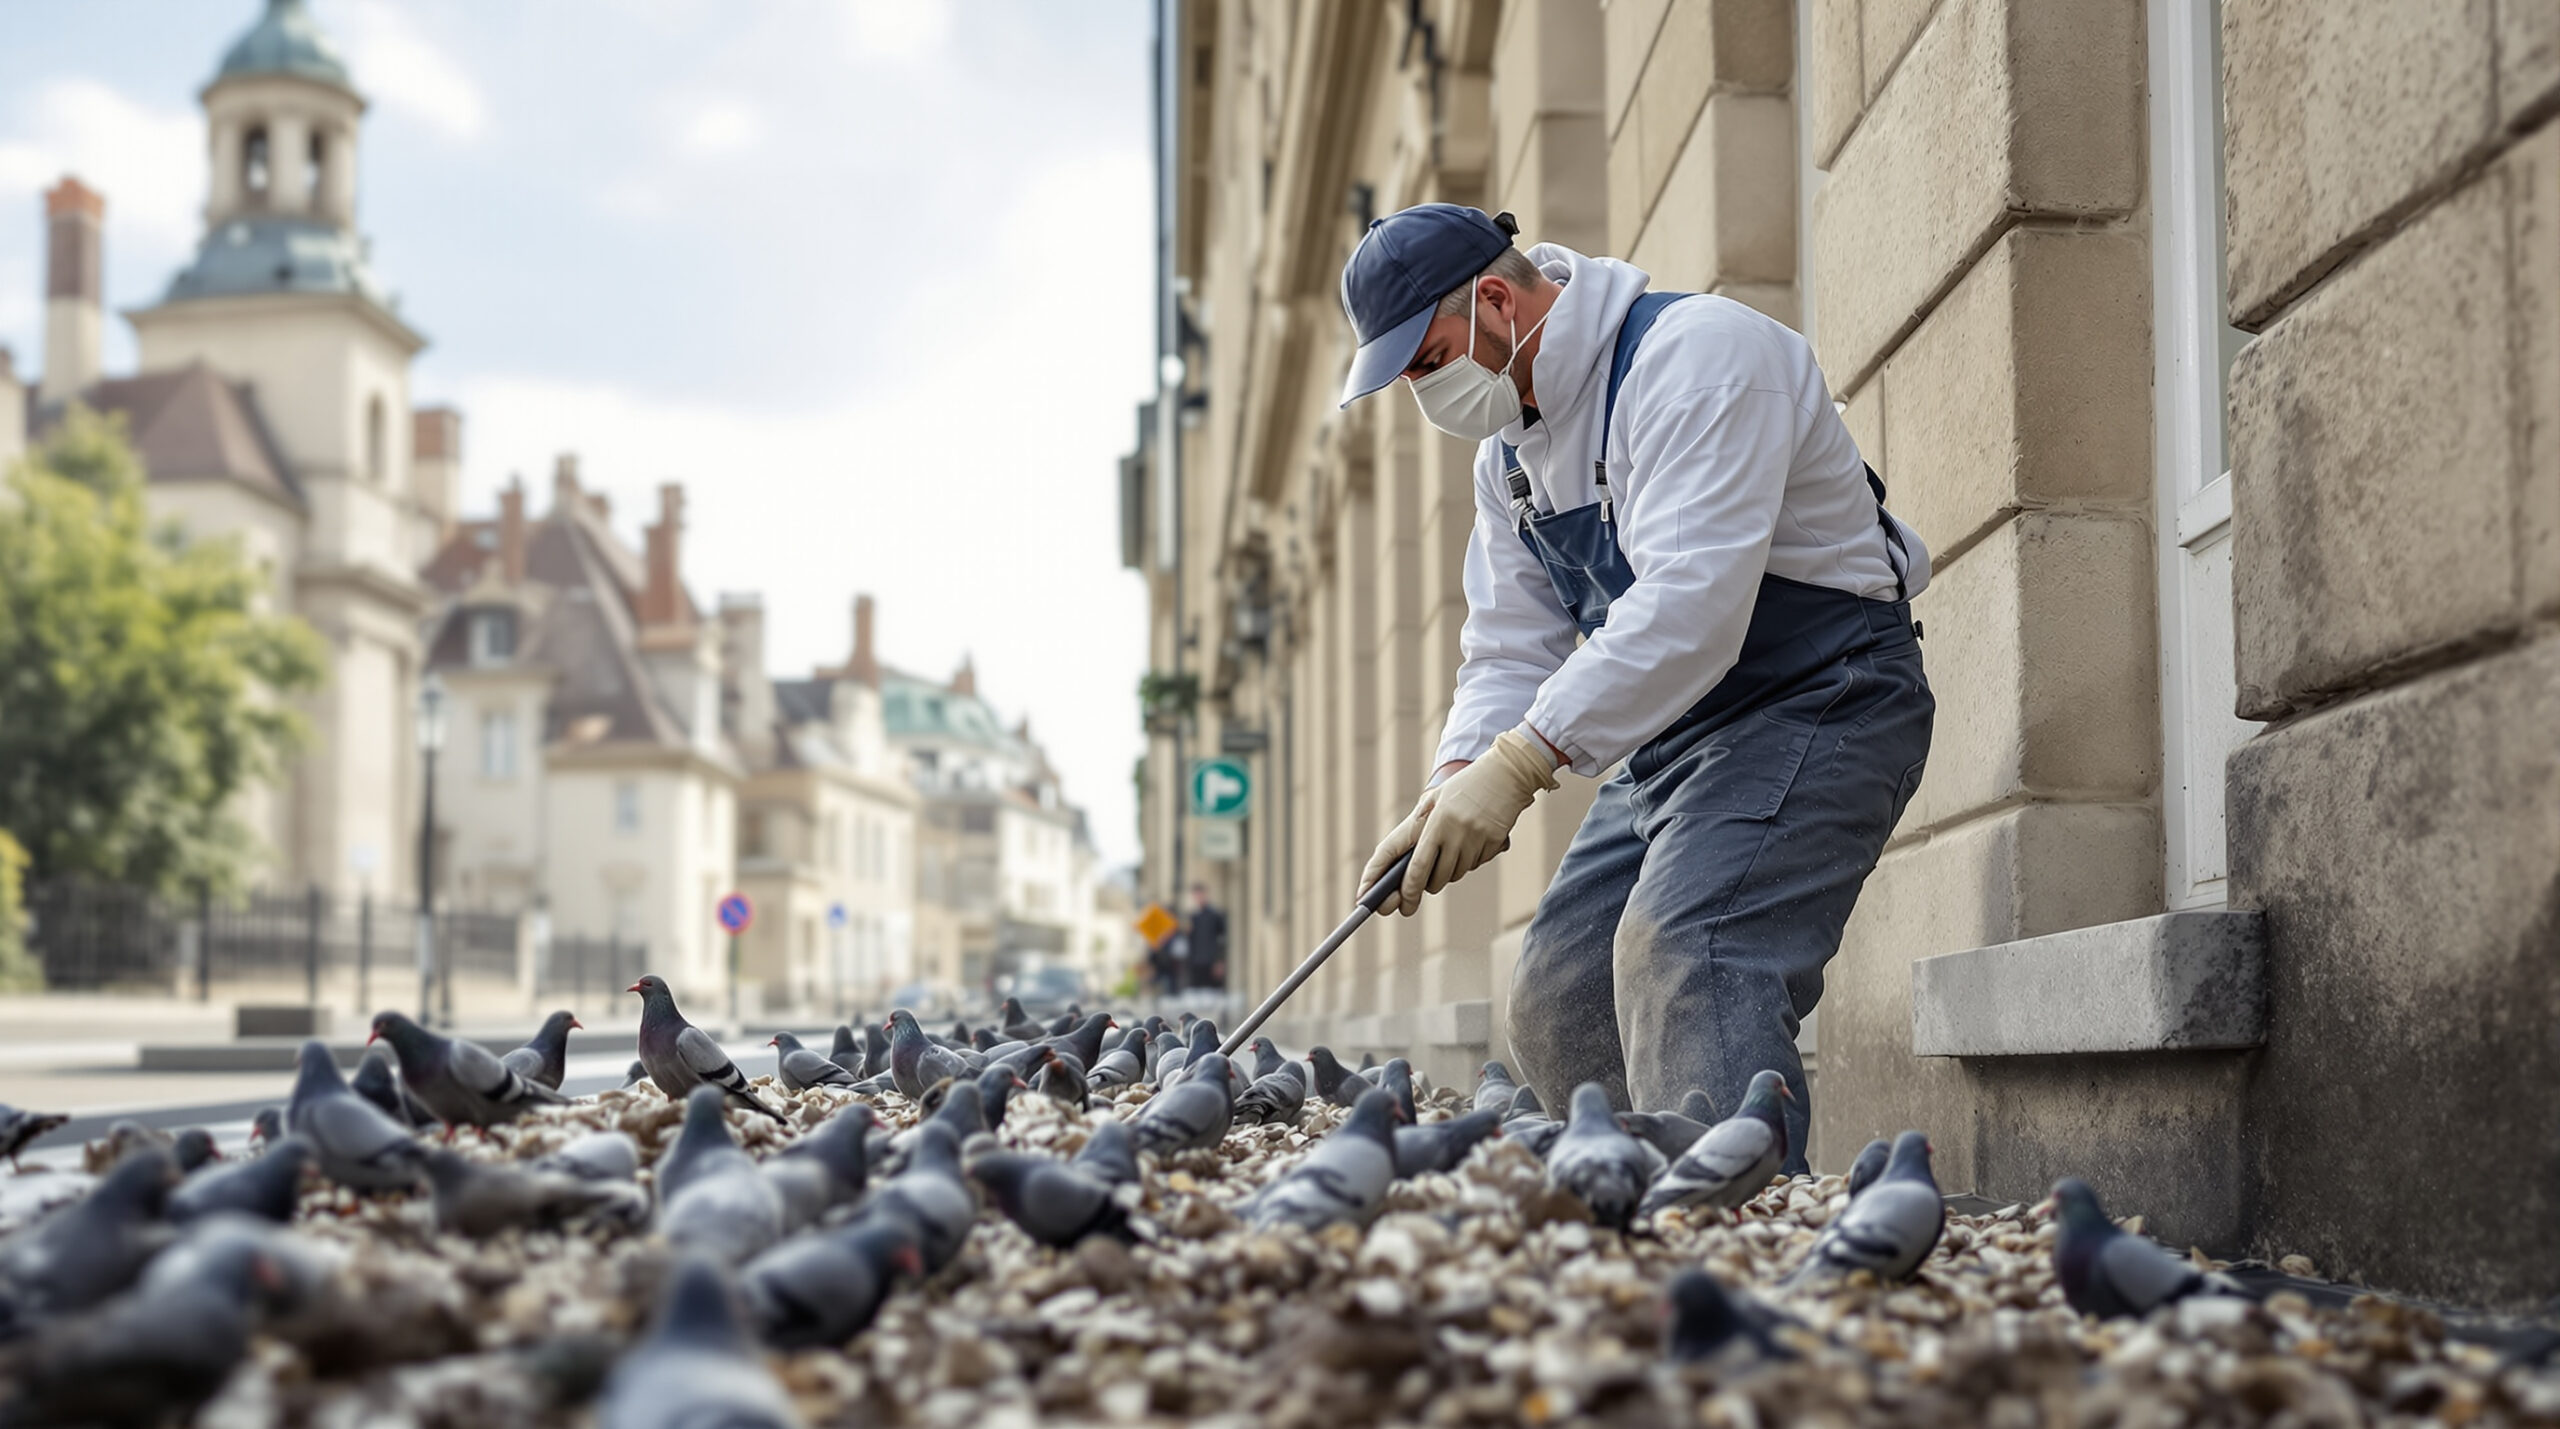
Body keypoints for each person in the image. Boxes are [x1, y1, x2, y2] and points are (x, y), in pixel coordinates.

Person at [1339, 204, 1934, 1170]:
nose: (1422, 391)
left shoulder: (1699, 357)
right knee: (1559, 993)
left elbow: (1692, 604)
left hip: (1822, 696)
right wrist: (1454, 778)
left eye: (1427, 360)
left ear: (1494, 301)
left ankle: (1738, 1231)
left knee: (1692, 950)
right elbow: (1509, 645)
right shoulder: (1509, 460)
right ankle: (1640, 1204)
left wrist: (1521, 763)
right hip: (1675, 734)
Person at [1184, 883, 1227, 992]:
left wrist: (1219, 961)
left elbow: (1221, 939)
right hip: (1196, 963)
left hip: (1211, 962)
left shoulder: (1214, 916)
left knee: (1212, 992)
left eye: (1200, 895)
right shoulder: (1193, 917)